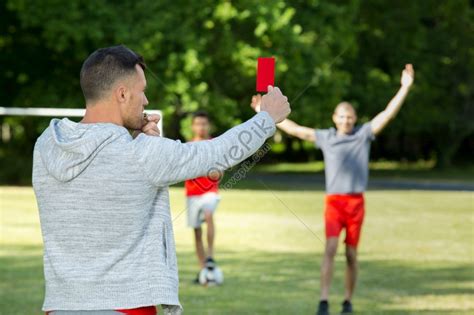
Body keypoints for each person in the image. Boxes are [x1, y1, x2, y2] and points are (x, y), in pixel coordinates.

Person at [33, 44, 290, 315]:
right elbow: (217, 153)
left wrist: (139, 141)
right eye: (142, 91)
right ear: (122, 94)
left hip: (61, 305)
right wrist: (266, 119)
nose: (145, 101)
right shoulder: (142, 155)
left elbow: (105, 163)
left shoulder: (47, 145)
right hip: (126, 306)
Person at [251, 64, 414, 315]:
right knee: (329, 249)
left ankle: (347, 301)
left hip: (356, 202)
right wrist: (266, 115)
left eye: (349, 117)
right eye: (341, 117)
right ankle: (324, 301)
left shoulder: (363, 135)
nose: (345, 121)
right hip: (334, 203)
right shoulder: (327, 137)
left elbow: (387, 115)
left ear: (354, 119)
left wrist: (405, 87)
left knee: (350, 254)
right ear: (334, 118)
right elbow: (296, 130)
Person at [184, 111, 223, 282]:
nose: (201, 127)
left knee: (208, 214)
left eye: (204, 123)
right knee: (197, 231)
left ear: (209, 126)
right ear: (193, 126)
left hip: (210, 192)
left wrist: (212, 172)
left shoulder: (215, 145)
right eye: (198, 123)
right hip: (192, 194)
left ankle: (210, 256)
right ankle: (203, 271)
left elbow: (219, 173)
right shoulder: (187, 146)